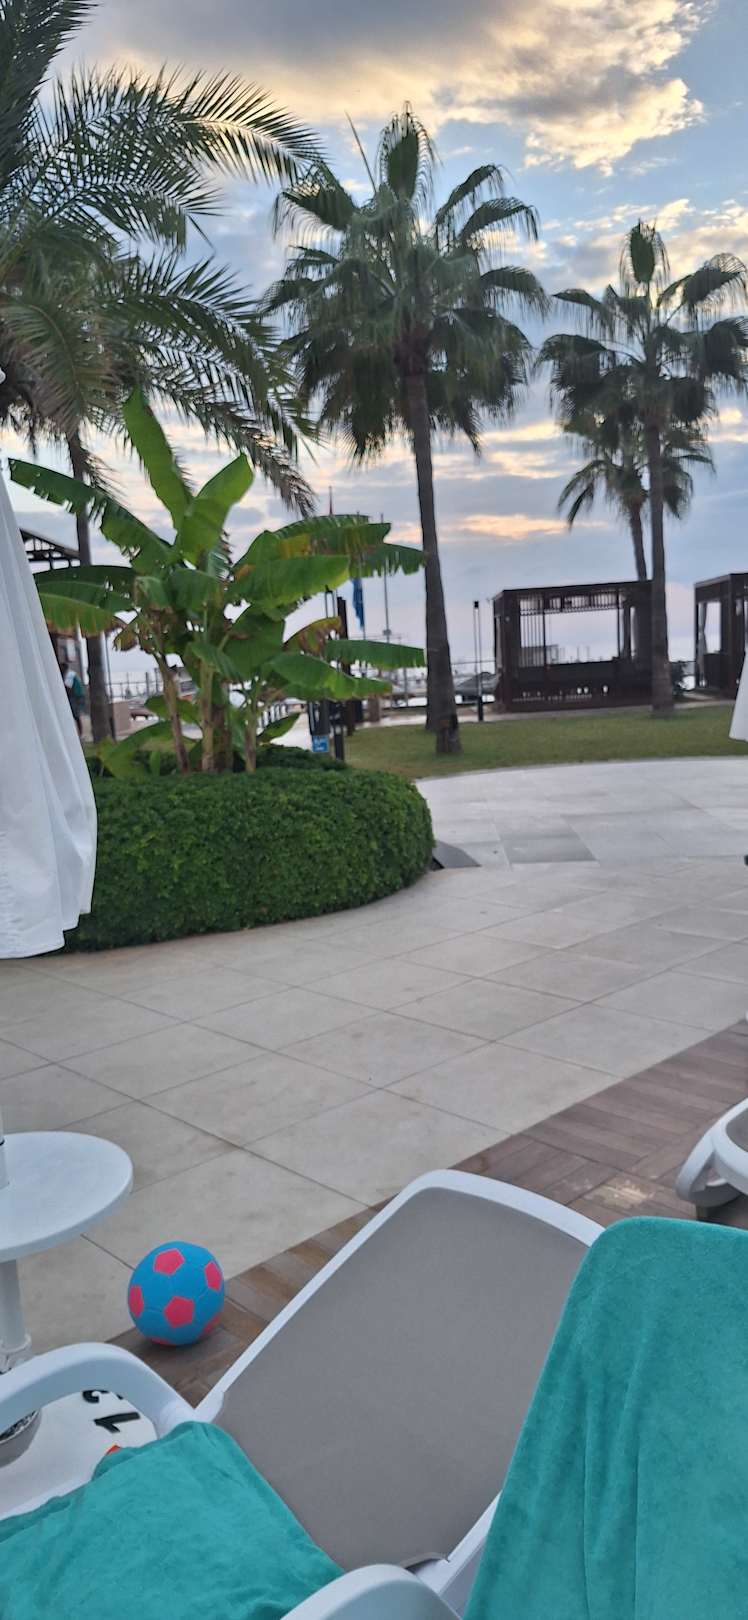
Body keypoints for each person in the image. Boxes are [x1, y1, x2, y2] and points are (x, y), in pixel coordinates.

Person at [60, 658, 85, 737]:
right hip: (77, 696)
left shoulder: (69, 675)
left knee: (75, 714)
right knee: (75, 715)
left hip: (76, 696)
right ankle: (79, 732)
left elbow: (68, 687)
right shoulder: (71, 673)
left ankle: (80, 733)